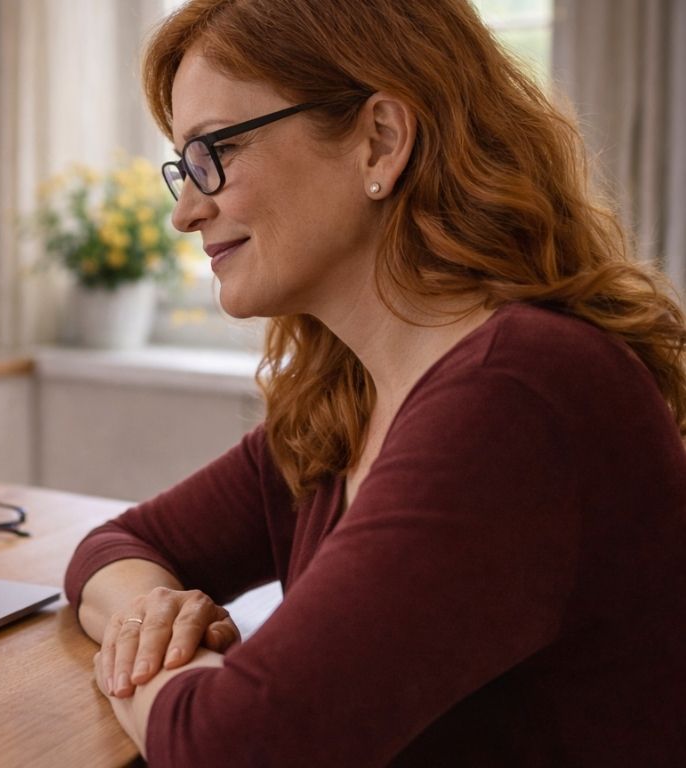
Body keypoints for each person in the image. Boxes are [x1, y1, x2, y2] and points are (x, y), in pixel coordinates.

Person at [64, 0, 686, 764]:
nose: (186, 212)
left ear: (380, 142)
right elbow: (117, 546)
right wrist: (148, 621)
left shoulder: (520, 397)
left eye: (214, 152)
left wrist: (144, 671)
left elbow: (235, 749)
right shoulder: (350, 399)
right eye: (183, 168)